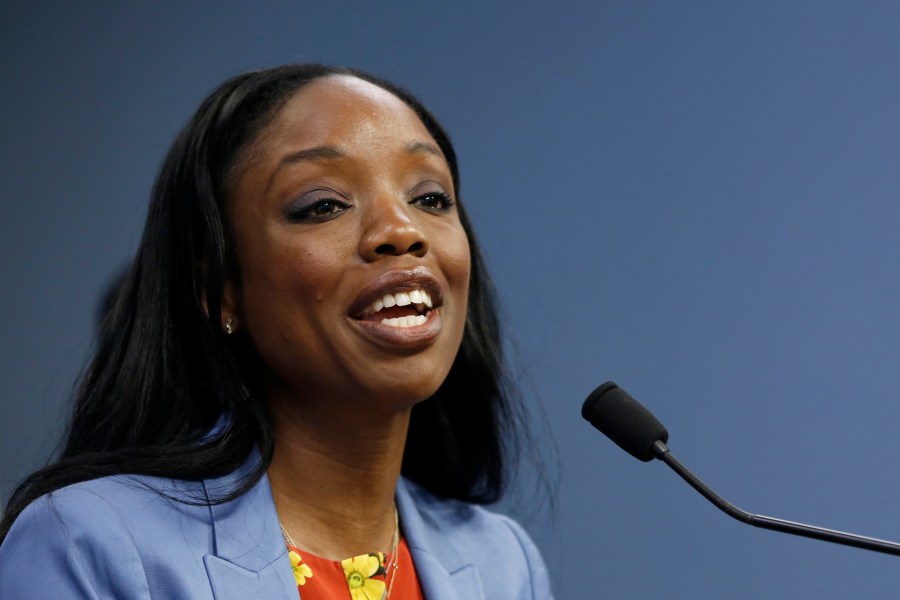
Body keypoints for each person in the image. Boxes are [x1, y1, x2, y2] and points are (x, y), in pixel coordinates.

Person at [0, 64, 553, 599]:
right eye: (324, 205)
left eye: (430, 198)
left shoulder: (501, 562)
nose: (401, 231)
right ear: (221, 292)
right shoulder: (88, 545)